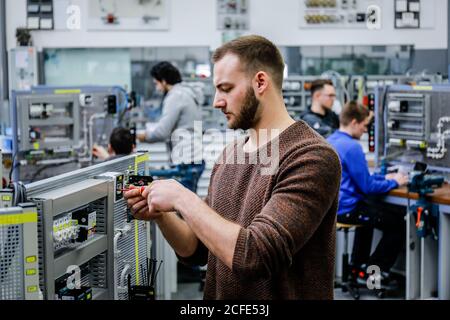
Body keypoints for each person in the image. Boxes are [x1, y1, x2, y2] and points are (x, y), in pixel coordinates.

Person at [125, 35, 342, 299]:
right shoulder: (231, 154)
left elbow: (256, 256)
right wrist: (162, 215)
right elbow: (196, 250)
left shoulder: (311, 156)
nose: (217, 101)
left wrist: (183, 198)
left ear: (260, 82)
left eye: (226, 89)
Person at [327, 101, 409, 284]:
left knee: (372, 214)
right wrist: (395, 181)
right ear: (354, 122)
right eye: (364, 125)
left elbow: (361, 178)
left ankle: (359, 266)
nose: (365, 130)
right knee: (398, 223)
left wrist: (385, 178)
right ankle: (374, 272)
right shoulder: (352, 147)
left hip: (335, 208)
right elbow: (367, 187)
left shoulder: (331, 140)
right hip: (348, 209)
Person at [137, 61, 203, 166]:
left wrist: (139, 136)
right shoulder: (185, 92)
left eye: (156, 83)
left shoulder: (175, 96)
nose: (156, 88)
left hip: (185, 160)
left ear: (163, 81)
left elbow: (162, 132)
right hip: (193, 157)